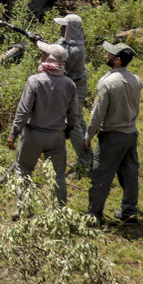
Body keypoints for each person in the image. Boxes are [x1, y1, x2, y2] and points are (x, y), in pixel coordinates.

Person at [7, 41, 81, 218]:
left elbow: (24, 111)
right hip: (56, 136)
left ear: (48, 59)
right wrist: (69, 129)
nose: (41, 56)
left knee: (24, 169)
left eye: (44, 54)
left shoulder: (34, 81)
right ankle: (59, 212)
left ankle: (25, 209)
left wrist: (13, 133)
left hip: (33, 134)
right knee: (57, 176)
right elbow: (74, 114)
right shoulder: (69, 84)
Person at [85, 42, 143, 226]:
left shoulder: (107, 82)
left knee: (101, 175)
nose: (107, 56)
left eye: (110, 54)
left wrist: (88, 135)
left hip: (111, 136)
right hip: (130, 134)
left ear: (117, 60)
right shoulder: (136, 80)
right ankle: (129, 212)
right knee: (130, 175)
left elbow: (97, 113)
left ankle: (94, 215)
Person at [54, 13, 93, 169]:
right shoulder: (68, 43)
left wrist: (43, 47)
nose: (62, 28)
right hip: (74, 86)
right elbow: (56, 47)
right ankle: (89, 157)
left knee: (74, 124)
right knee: (79, 120)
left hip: (76, 88)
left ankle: (85, 162)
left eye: (65, 26)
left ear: (72, 29)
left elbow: (57, 56)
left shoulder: (75, 49)